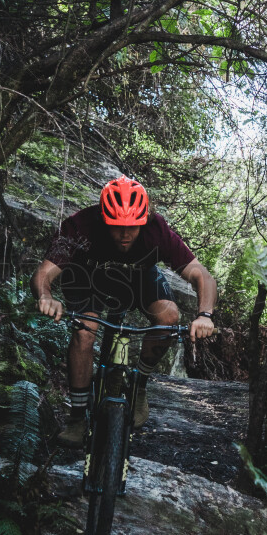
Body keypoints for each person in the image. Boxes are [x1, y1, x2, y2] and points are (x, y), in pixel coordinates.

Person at [31, 175, 216, 447]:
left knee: (169, 318)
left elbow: (203, 276)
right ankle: (78, 417)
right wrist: (46, 297)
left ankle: (139, 385)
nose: (125, 234)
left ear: (145, 220)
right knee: (85, 332)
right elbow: (43, 274)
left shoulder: (157, 231)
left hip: (138, 275)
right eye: (117, 226)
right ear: (103, 217)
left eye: (133, 226)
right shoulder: (80, 226)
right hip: (87, 276)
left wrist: (205, 314)